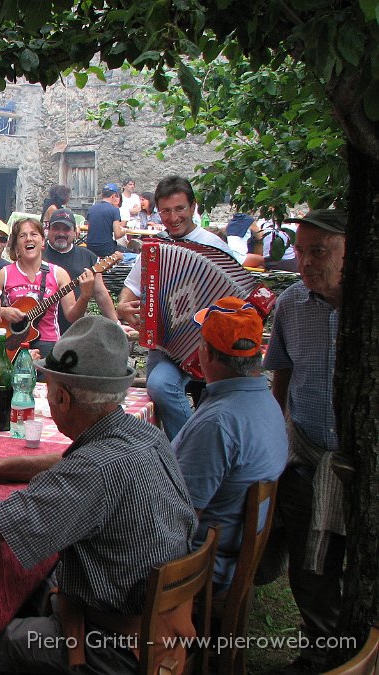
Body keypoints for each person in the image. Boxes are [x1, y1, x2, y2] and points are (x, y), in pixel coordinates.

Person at [0, 317, 197, 673]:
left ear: (61, 397)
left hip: (108, 646)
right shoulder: (144, 436)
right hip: (155, 621)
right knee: (33, 583)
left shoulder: (94, 469)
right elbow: (67, 462)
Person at [263, 209, 346, 673]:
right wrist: (280, 435)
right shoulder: (293, 303)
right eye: (301, 251)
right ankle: (320, 650)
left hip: (362, 463)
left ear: (349, 254)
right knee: (309, 561)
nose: (306, 262)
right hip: (308, 451)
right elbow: (282, 372)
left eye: (319, 251)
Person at [171, 297, 287, 593]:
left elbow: (177, 516)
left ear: (205, 353)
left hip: (200, 567)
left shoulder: (219, 424)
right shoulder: (266, 401)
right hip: (226, 552)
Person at [116, 175, 236, 439]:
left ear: (193, 207)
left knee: (160, 385)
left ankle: (189, 454)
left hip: (208, 345)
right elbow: (130, 289)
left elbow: (237, 298)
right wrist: (124, 306)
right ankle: (175, 454)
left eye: (179, 209)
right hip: (166, 342)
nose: (173, 217)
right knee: (155, 386)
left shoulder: (214, 246)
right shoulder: (154, 247)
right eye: (166, 211)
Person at [0, 217, 95, 357]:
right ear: (16, 246)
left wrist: (85, 296)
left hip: (48, 343)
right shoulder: (4, 274)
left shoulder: (58, 274)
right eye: (22, 235)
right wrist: (3, 311)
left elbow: (72, 316)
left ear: (43, 242)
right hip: (14, 345)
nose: (29, 239)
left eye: (34, 234)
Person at [42, 207, 118, 333]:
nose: (61, 233)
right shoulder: (38, 255)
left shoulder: (88, 257)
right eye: (56, 228)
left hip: (73, 329)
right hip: (40, 329)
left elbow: (100, 293)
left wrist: (116, 324)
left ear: (75, 231)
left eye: (66, 229)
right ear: (48, 230)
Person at [86, 183, 130, 258]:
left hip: (90, 248)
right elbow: (117, 235)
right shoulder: (114, 210)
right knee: (131, 253)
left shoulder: (91, 209)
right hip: (106, 249)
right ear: (113, 196)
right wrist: (125, 231)